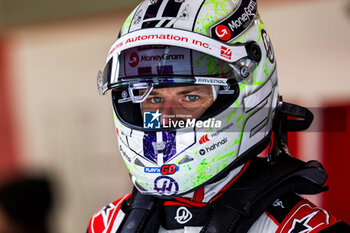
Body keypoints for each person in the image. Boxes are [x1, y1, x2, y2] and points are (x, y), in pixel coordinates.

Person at [88, 0, 350, 232]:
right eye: (154, 99)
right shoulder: (107, 224)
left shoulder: (305, 228)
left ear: (251, 93)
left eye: (190, 97)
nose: (166, 117)